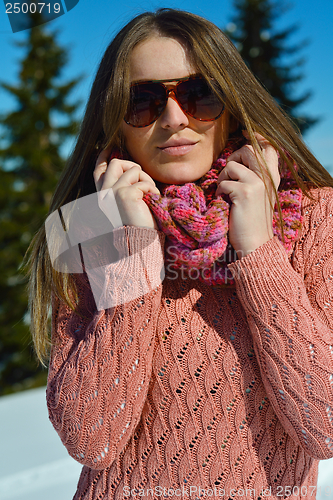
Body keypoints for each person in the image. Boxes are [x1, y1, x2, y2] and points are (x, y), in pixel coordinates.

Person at [26, 8, 333, 500]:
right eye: (142, 101)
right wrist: (132, 254)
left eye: (200, 94)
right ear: (115, 123)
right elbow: (90, 438)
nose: (174, 118)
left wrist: (259, 252)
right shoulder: (86, 228)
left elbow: (326, 425)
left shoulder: (310, 215)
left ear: (232, 102)